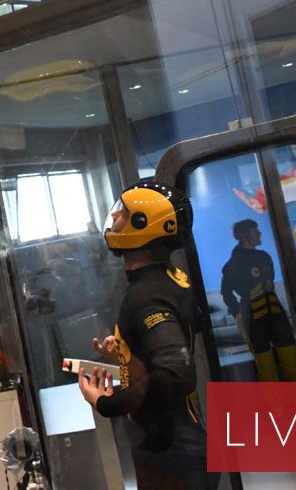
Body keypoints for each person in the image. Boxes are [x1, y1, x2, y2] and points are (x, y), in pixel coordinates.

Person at [78, 180, 218, 490]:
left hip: (171, 453)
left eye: (123, 215)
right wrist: (129, 354)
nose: (114, 219)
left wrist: (107, 403)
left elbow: (176, 372)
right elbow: (172, 339)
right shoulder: (170, 278)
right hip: (177, 445)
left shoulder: (146, 295)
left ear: (143, 225)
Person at [220, 219, 296, 382]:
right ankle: (275, 407)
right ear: (245, 236)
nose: (259, 233)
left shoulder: (263, 257)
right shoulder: (232, 265)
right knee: (266, 368)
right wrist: (238, 313)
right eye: (255, 231)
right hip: (254, 320)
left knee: (291, 360)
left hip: (276, 315)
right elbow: (226, 293)